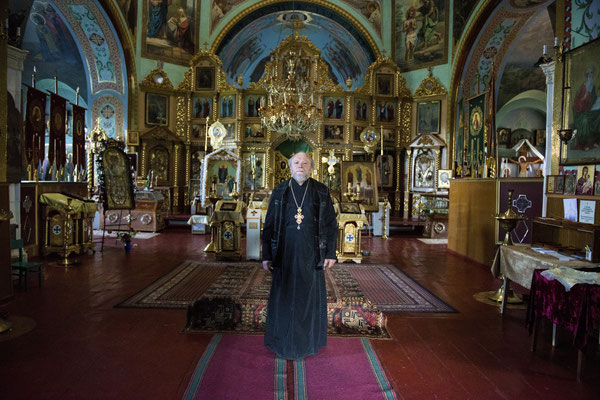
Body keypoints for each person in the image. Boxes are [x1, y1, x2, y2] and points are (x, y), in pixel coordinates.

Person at [262, 152, 337, 360]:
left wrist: (331, 252)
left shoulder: (321, 191)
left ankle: (307, 344)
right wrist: (266, 255)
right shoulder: (279, 191)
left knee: (308, 297)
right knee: (284, 297)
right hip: (284, 252)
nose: (300, 166)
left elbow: (331, 224)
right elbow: (268, 226)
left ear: (311, 168)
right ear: (290, 167)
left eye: (305, 163)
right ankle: (282, 343)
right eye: (296, 162)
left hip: (311, 252)